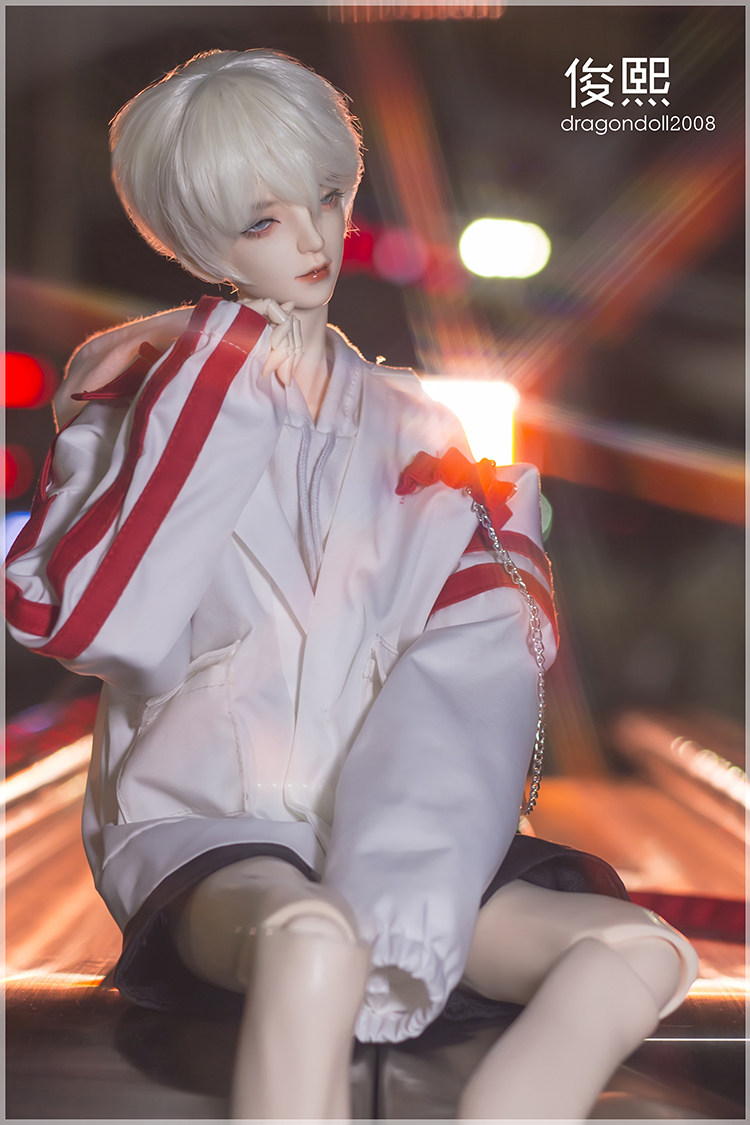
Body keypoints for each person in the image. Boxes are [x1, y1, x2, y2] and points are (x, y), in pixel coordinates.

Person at [5, 49, 697, 1120]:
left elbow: (481, 659)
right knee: (312, 941)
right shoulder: (143, 409)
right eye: (263, 221)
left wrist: (408, 873)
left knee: (637, 953)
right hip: (208, 823)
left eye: (328, 197)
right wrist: (211, 371)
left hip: (390, 824)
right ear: (195, 241)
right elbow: (86, 620)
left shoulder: (424, 431)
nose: (315, 239)